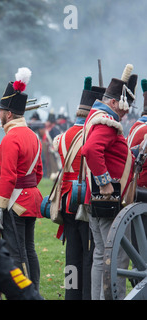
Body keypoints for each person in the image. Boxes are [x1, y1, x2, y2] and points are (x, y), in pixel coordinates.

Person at [81, 64, 137, 300]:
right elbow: (92, 150)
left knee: (101, 255)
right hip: (107, 198)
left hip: (96, 199)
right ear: (115, 102)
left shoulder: (96, 116)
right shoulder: (106, 121)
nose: (125, 113)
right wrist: (104, 182)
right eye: (124, 107)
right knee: (117, 258)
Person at [52, 76, 104, 300]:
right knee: (89, 255)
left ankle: (71, 295)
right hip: (84, 200)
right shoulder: (91, 135)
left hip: (66, 201)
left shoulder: (63, 136)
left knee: (71, 256)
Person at [0, 67, 43, 290]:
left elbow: (8, 176)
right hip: (30, 199)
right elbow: (38, 172)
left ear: (9, 114)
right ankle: (34, 290)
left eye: (2, 111)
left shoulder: (11, 138)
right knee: (29, 249)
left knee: (16, 252)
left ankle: (23, 294)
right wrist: (27, 189)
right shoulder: (33, 135)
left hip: (14, 201)